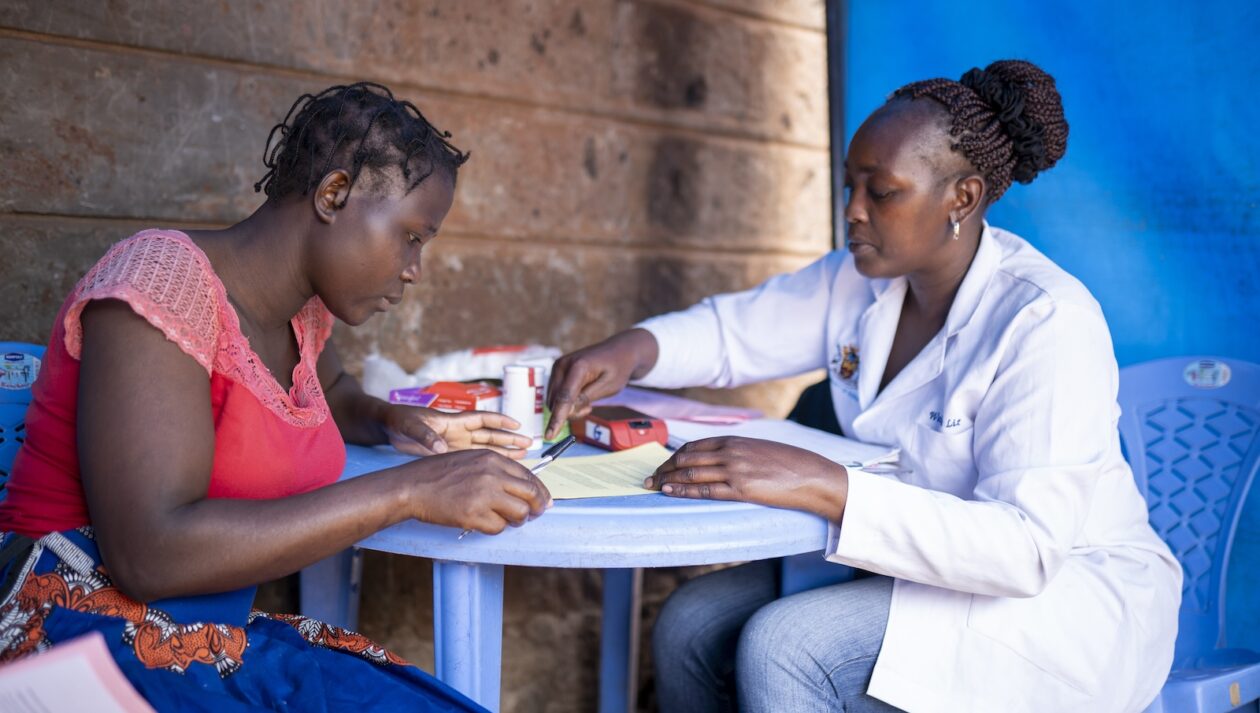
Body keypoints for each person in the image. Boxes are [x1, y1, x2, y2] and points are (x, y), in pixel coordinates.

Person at [545, 60, 1180, 712]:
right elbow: (734, 332)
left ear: (961, 198)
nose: (852, 212)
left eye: (882, 192)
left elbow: (1024, 549)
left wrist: (822, 482)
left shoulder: (1045, 319)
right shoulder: (859, 278)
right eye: (850, 186)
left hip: (1056, 596)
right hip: (913, 560)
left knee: (784, 644)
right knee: (690, 623)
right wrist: (632, 349)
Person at [0, 83, 552, 711]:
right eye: (412, 237)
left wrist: (403, 422)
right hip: (80, 633)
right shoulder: (158, 285)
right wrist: (411, 492)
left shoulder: (305, 314)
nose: (413, 270)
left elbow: (334, 394)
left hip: (206, 638)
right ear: (333, 194)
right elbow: (150, 554)